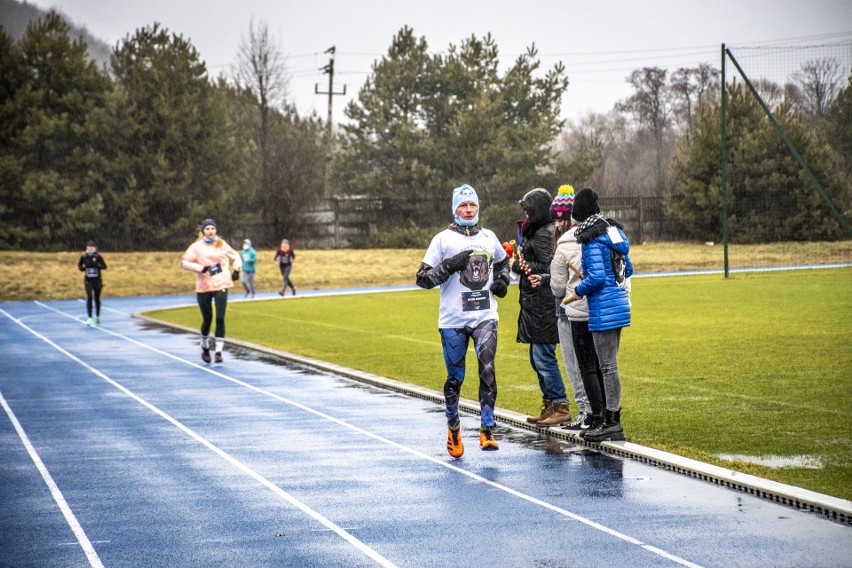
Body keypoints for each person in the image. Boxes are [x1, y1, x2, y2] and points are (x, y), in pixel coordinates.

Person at [416, 183, 511, 458]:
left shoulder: (489, 236)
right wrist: (450, 265)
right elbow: (422, 279)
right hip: (453, 320)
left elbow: (504, 264)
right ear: (455, 209)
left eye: (473, 205)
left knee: (488, 369)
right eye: (463, 205)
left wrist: (503, 280)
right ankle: (454, 428)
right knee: (456, 378)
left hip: (484, 316)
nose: (468, 210)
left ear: (478, 208)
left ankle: (487, 429)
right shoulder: (442, 240)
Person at [570, 188, 633, 442]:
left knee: (607, 367)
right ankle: (611, 420)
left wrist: (578, 290)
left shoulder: (591, 239)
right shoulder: (613, 232)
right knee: (610, 367)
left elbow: (595, 278)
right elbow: (627, 267)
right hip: (619, 305)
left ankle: (611, 422)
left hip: (602, 309)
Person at [529, 185, 594, 430]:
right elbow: (564, 276)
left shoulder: (573, 241)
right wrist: (546, 278)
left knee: (579, 365)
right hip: (569, 308)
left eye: (562, 219)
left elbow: (564, 284)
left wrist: (552, 281)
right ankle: (587, 412)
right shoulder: (567, 239)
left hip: (572, 310)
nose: (557, 224)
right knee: (579, 365)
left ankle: (587, 413)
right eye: (555, 219)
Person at [514, 188, 572, 427]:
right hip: (534, 304)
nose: (525, 213)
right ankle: (549, 404)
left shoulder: (543, 234)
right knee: (536, 358)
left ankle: (561, 405)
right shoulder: (537, 231)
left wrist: (518, 264)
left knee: (543, 357)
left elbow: (549, 267)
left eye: (528, 209)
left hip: (543, 305)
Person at [179, 219, 242, 364]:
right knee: (207, 320)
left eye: (212, 228)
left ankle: (219, 351)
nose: (210, 231)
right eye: (207, 229)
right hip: (204, 286)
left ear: (216, 230)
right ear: (202, 232)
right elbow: (183, 262)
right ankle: (205, 345)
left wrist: (237, 268)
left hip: (222, 284)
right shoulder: (196, 247)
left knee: (220, 318)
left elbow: (236, 256)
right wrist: (200, 268)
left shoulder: (222, 244)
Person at [77, 240, 107, 326]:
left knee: (97, 298)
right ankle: (89, 317)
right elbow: (79, 266)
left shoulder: (98, 256)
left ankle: (98, 316)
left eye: (92, 247)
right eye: (89, 247)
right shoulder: (83, 257)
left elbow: (104, 266)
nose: (90, 249)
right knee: (89, 296)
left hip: (97, 280)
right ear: (86, 248)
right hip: (88, 280)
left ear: (94, 248)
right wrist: (82, 268)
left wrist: (98, 266)